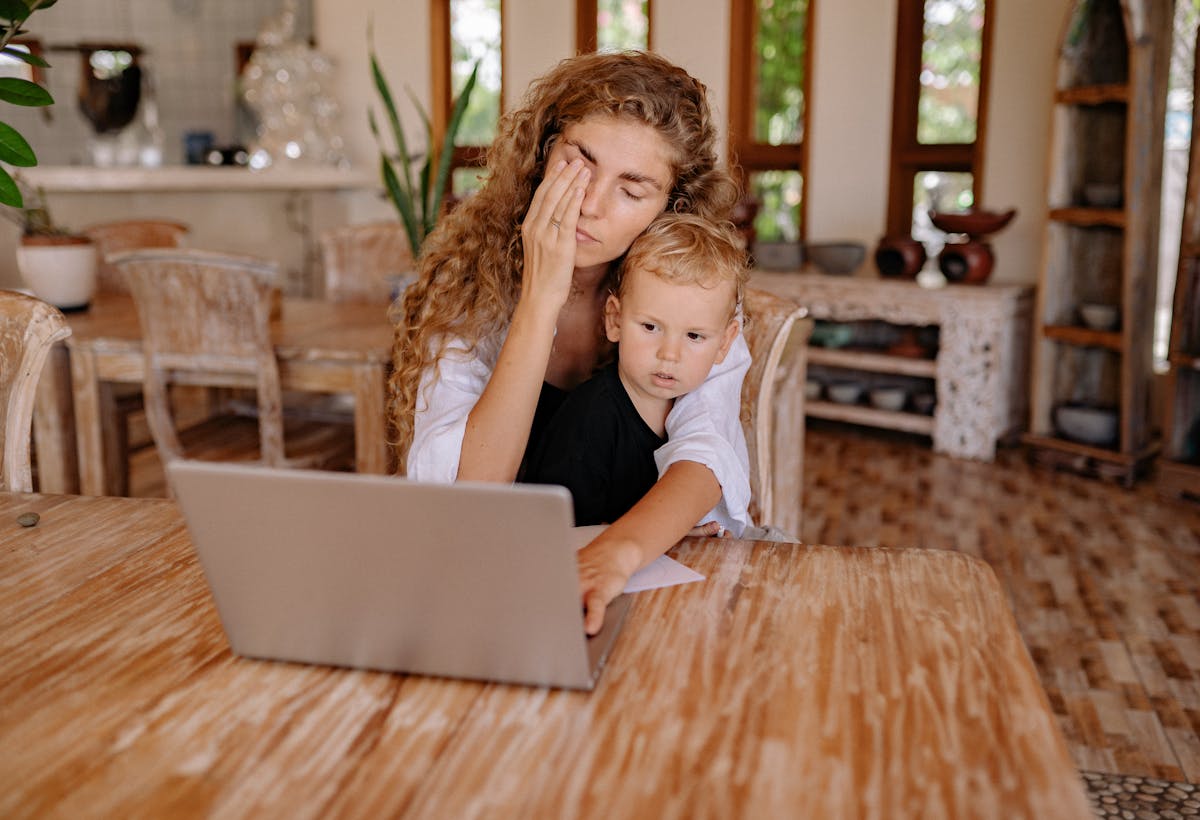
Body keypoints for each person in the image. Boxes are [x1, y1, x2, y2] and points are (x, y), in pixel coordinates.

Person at [388, 50, 751, 635]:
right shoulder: (464, 286)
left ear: (669, 208)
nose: (589, 204)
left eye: (632, 191)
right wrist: (540, 296)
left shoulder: (689, 298)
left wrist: (619, 554)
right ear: (541, 156)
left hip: (637, 569)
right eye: (578, 165)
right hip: (496, 579)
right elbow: (465, 493)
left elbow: (706, 455)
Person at [523, 213, 747, 528]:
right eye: (651, 326)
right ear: (614, 320)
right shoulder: (589, 422)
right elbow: (551, 534)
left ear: (725, 343)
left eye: (694, 336)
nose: (669, 354)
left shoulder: (696, 410)